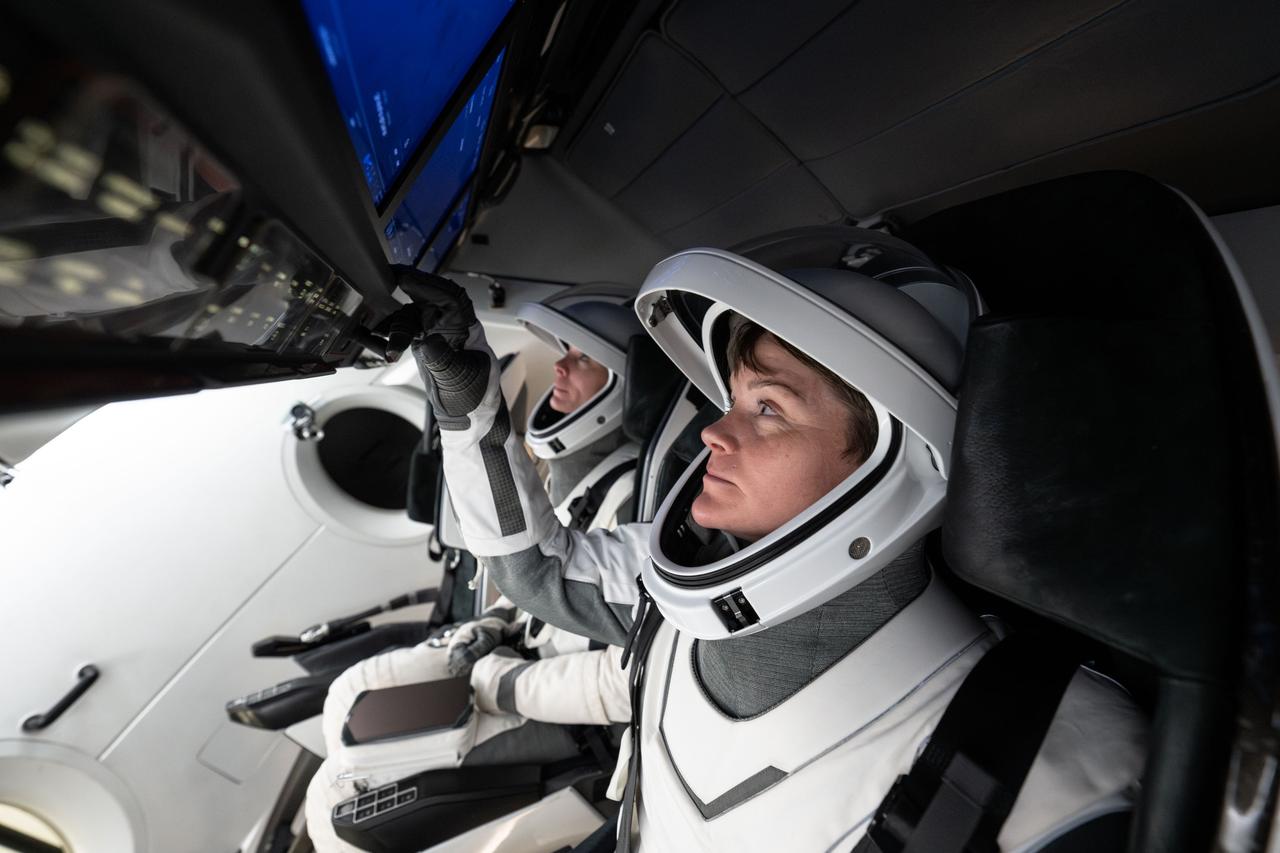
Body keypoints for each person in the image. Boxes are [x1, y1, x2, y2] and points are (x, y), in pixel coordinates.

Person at [406, 227, 1147, 852]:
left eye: (768, 408)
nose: (711, 432)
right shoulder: (675, 591)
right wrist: (467, 398)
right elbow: (533, 568)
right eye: (731, 400)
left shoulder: (1047, 764)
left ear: (897, 464)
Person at [304, 284, 643, 852]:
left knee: (336, 815)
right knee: (343, 701)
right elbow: (554, 574)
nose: (560, 366)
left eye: (582, 357)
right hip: (528, 668)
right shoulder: (589, 478)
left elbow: (629, 679)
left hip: (572, 712)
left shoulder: (633, 493)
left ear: (622, 385)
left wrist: (501, 685)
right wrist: (485, 630)